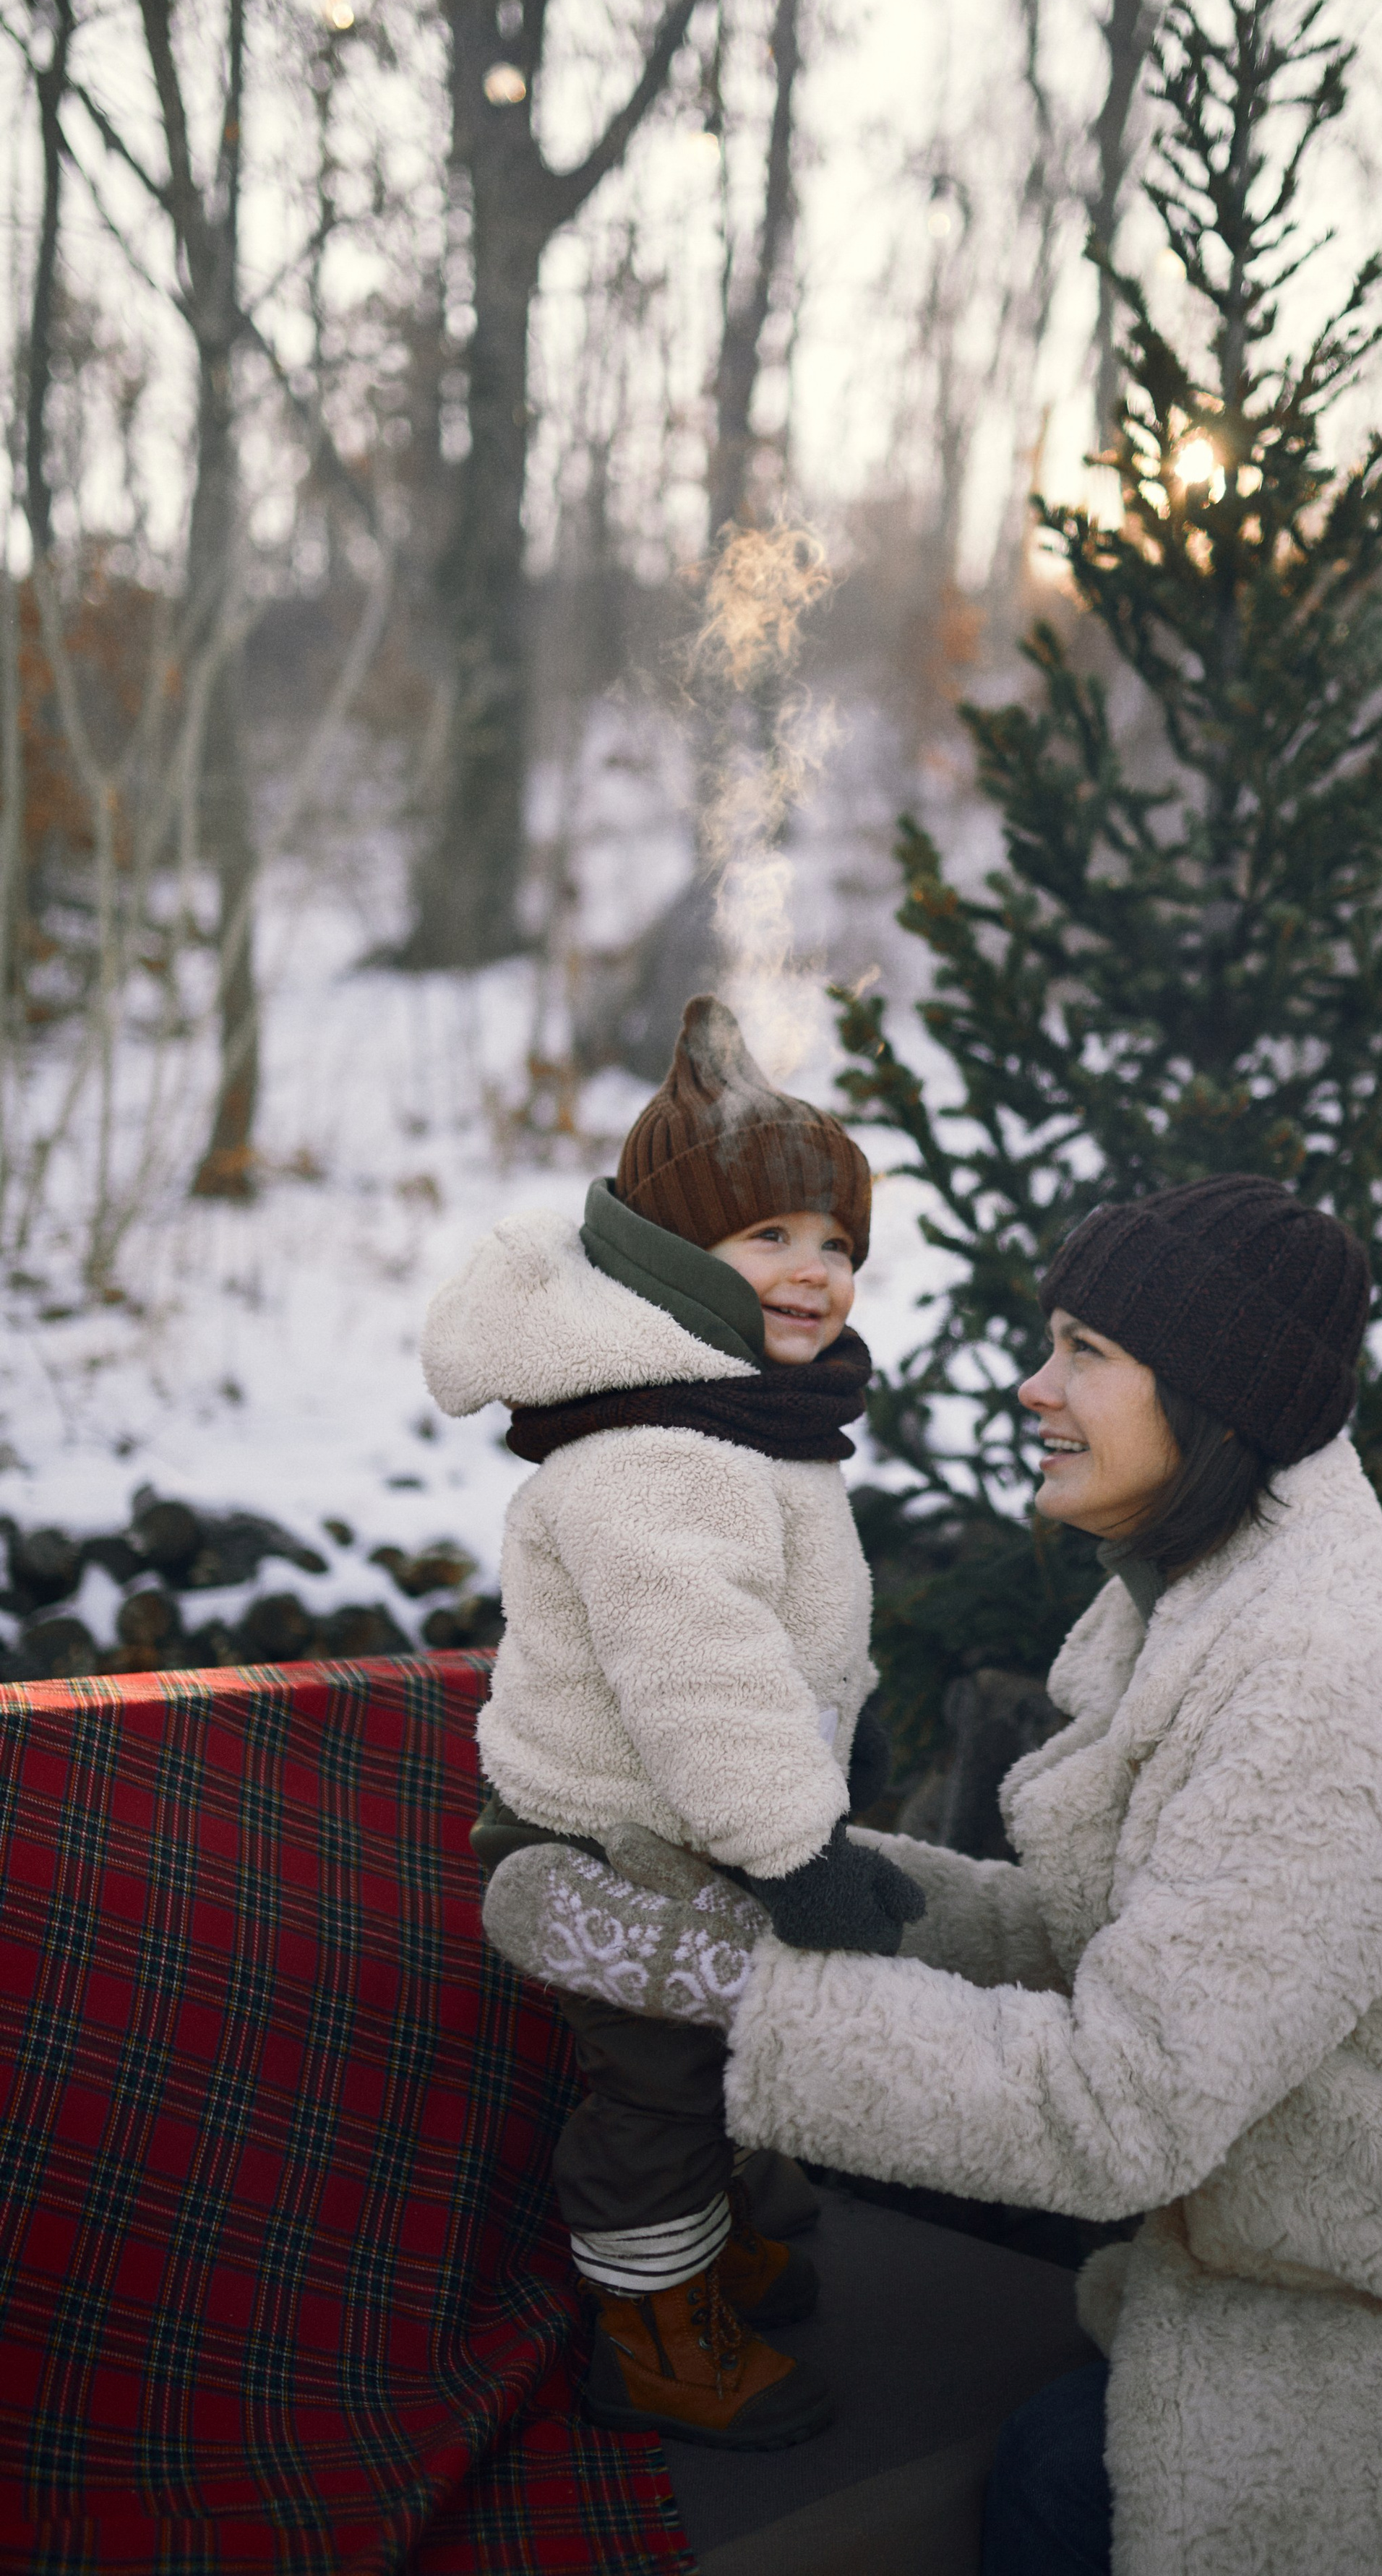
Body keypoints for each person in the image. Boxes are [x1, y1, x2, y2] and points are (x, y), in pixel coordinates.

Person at [481, 1173, 1382, 2574]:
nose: (1032, 1386)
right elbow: (1117, 1943)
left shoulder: (1325, 1685)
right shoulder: (1206, 1610)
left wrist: (733, 1984)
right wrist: (809, 1878)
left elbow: (1117, 2104)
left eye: (1084, 1351)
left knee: (1065, 2483)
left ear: (1214, 1397)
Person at [419, 995, 920, 2454]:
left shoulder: (740, 1414)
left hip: (695, 1819)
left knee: (719, 2058)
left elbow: (778, 1636)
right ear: (666, 1255)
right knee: (656, 2081)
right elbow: (697, 1678)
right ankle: (651, 2334)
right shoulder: (653, 1448)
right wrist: (797, 1846)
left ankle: (704, 2246)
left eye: (836, 1245)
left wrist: (836, 1749)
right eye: (770, 1238)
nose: (815, 1272)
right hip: (610, 1849)